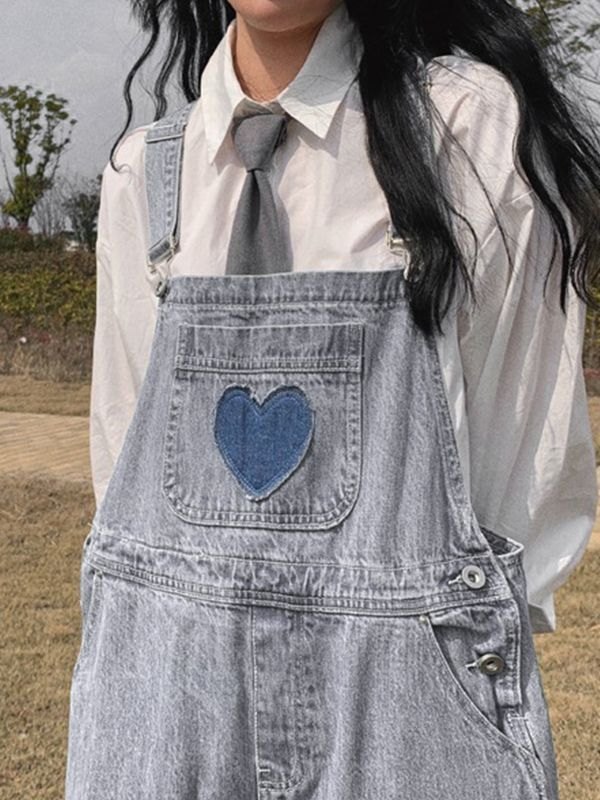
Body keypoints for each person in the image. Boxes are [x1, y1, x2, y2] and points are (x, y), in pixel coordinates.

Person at [65, 1, 599, 798]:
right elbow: (125, 475)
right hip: (163, 715)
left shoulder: (468, 133)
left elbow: (520, 480)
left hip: (404, 717)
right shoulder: (141, 177)